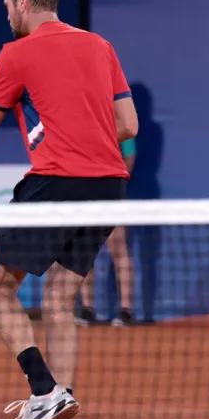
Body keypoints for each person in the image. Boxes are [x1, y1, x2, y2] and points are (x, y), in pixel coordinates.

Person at [0, 0, 138, 419]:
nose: (6, 15)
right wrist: (82, 133)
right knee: (60, 302)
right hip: (108, 186)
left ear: (23, 2)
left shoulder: (17, 54)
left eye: (7, 5)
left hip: (57, 182)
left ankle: (44, 393)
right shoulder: (101, 46)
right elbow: (127, 124)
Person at [77, 137, 138, 327]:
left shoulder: (118, 118)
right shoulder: (81, 121)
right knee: (83, 253)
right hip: (84, 195)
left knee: (119, 251)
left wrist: (113, 184)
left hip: (110, 196)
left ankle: (126, 309)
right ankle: (87, 309)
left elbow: (129, 155)